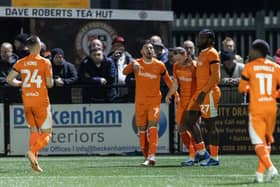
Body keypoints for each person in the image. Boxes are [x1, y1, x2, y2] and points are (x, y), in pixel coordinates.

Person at [123, 40, 176, 166]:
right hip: (140, 102)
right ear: (142, 51)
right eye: (146, 48)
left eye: (151, 48)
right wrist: (133, 63)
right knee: (142, 130)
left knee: (152, 126)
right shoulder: (137, 64)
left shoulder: (159, 65)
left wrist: (176, 95)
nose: (149, 50)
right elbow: (125, 72)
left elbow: (168, 81)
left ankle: (152, 156)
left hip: (154, 101)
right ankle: (146, 156)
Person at [6, 35, 54, 173]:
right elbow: (50, 84)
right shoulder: (45, 62)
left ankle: (34, 163)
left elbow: (9, 79)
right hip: (41, 101)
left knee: (33, 131)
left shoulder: (21, 62)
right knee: (46, 134)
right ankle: (32, 152)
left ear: (28, 47)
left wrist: (22, 83)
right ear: (39, 46)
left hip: (27, 101)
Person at [239, 39, 280, 183]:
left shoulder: (249, 67)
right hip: (271, 107)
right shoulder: (276, 67)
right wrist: (272, 95)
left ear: (257, 51)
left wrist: (254, 89)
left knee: (258, 143)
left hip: (257, 108)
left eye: (252, 49)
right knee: (266, 142)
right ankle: (259, 174)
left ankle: (271, 167)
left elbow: (242, 88)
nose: (250, 51)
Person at [185, 29, 221, 166]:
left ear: (210, 40)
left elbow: (216, 77)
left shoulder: (212, 53)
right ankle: (201, 152)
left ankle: (215, 158)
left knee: (210, 125)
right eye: (199, 37)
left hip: (209, 93)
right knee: (188, 121)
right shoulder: (201, 54)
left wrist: (203, 92)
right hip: (200, 93)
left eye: (202, 38)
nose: (198, 40)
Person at [165, 47, 198, 166]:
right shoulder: (176, 66)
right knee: (181, 129)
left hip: (193, 101)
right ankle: (196, 152)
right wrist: (169, 95)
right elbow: (175, 83)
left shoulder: (195, 66)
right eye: (174, 59)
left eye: (177, 58)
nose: (175, 61)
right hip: (183, 101)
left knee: (191, 127)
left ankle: (193, 156)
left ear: (185, 55)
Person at [78, 38, 116, 103]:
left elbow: (111, 78)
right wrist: (98, 80)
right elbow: (81, 79)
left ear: (102, 51)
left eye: (98, 53)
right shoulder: (85, 63)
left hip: (108, 98)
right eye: (94, 52)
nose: (96, 47)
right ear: (90, 52)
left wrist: (90, 79)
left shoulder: (109, 62)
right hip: (89, 99)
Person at [108, 36, 134, 102]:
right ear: (113, 48)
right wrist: (112, 59)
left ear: (124, 47)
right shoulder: (108, 60)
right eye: (116, 46)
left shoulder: (130, 59)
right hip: (114, 93)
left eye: (120, 46)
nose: (118, 48)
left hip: (128, 93)